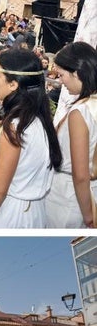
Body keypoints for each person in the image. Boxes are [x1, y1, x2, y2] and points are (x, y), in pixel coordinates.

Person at [0, 49, 62, 228]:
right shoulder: (40, 118)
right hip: (35, 211)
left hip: (13, 214)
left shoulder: (15, 128)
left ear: (13, 84)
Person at [45, 42, 97, 228]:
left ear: (76, 72)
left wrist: (89, 215)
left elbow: (80, 174)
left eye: (62, 75)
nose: (60, 81)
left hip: (69, 198)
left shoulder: (80, 112)